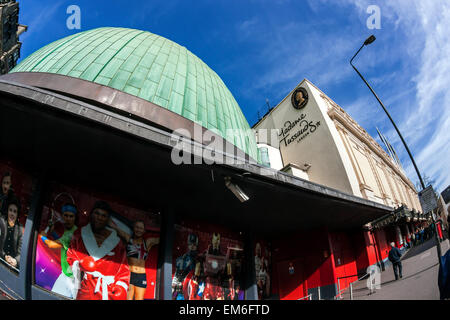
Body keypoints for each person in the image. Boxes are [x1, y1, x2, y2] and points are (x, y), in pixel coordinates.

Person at [66, 200, 129, 300]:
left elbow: (124, 269)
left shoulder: (117, 243)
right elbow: (70, 256)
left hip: (105, 292)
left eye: (104, 215)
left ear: (108, 219)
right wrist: (79, 265)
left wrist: (121, 287)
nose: (99, 218)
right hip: (82, 288)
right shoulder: (79, 234)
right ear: (91, 215)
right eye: (97, 213)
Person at [109, 219, 159, 300]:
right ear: (133, 228)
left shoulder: (147, 242)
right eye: (137, 227)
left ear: (144, 230)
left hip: (141, 276)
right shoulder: (129, 239)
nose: (138, 230)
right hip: (129, 274)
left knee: (139, 299)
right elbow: (115, 227)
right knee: (128, 299)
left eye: (141, 228)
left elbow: (162, 238)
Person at [39, 203, 78, 298]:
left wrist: (42, 237)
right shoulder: (71, 230)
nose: (68, 218)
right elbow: (64, 244)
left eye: (71, 216)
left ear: (75, 218)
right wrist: (52, 232)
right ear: (62, 216)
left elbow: (51, 244)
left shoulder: (72, 234)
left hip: (74, 279)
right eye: (66, 215)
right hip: (66, 274)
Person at [0, 196, 23, 269]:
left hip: (12, 266)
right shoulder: (1, 222)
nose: (12, 213)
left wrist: (15, 261)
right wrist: (4, 256)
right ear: (7, 211)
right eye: (10, 210)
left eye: (15, 211)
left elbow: (21, 252)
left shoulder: (20, 229)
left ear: (17, 214)